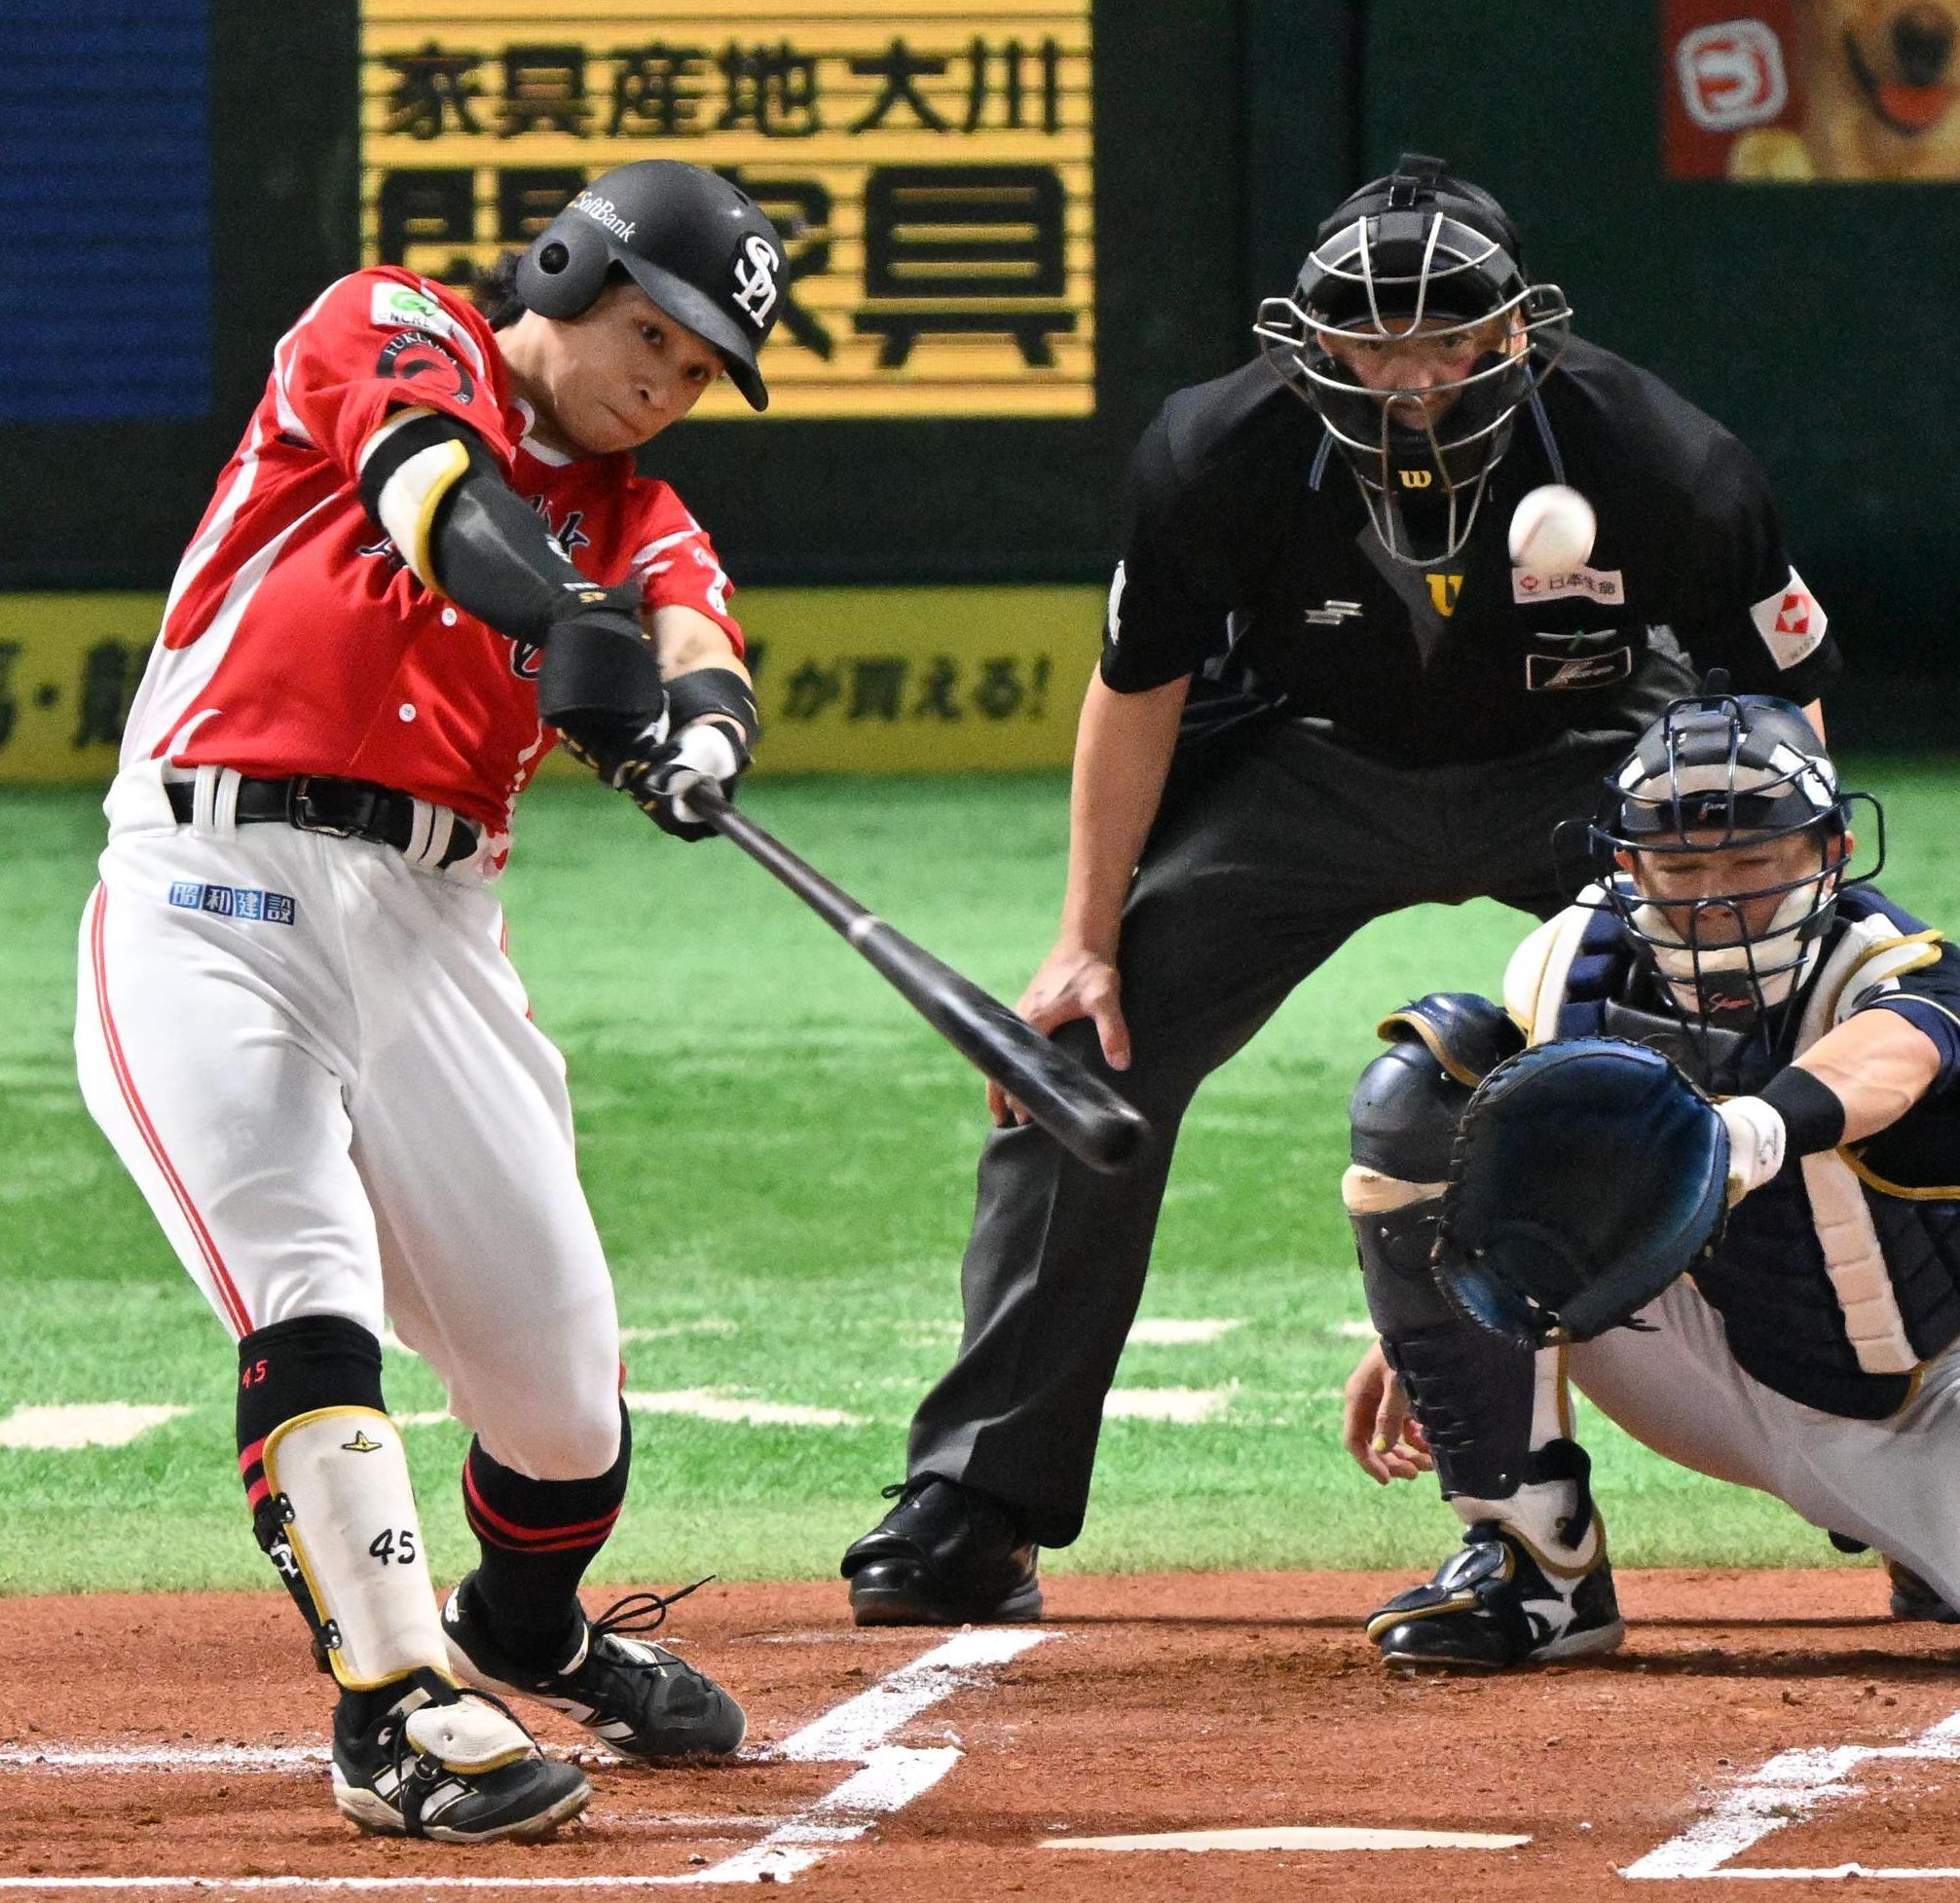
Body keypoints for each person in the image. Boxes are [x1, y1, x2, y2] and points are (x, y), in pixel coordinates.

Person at [840, 153, 1841, 1625]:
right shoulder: (1215, 451)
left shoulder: (1660, 458)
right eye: (1375, 343)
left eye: (1449, 338)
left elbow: (1782, 707)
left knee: (1792, 1047)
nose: (1412, 380)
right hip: (1311, 769)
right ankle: (980, 1499)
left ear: (1518, 331)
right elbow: (1136, 688)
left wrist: (1781, 943)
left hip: (1584, 771)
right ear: (1310, 341)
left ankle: (1883, 1460)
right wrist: (1081, 941)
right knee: (1078, 1056)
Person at [75, 161, 785, 1842]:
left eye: (697, 371)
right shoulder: (390, 323)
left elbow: (696, 631)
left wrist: (696, 737)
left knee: (562, 1408)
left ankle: (524, 1626)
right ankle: (391, 1704)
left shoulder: (635, 511)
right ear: (565, 266)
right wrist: (567, 621)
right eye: (652, 335)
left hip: (435, 926)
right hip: (211, 884)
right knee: (304, 1285)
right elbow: (436, 497)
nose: (664, 385)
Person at [1340, 682, 1960, 1666]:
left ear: (1831, 851)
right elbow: (1520, 1184)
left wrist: (1746, 1131)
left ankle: (1917, 1534)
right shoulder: (1566, 966)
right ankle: (1536, 1567)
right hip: (1715, 1372)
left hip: (1926, 1398)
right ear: (1626, 863)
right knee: (1422, 1088)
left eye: (1752, 860)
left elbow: (1887, 1059)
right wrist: (1430, 1320)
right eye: (1680, 865)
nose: (1716, 898)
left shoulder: (1895, 969)